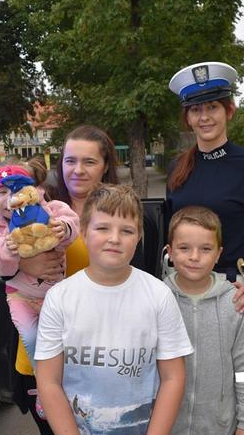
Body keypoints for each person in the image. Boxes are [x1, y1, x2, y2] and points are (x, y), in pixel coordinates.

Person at [167, 61, 244, 427]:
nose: (204, 117)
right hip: (183, 300)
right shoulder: (177, 170)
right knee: (185, 382)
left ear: (229, 110)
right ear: (187, 117)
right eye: (196, 110)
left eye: (213, 107)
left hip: (235, 299)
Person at [35, 184, 193, 434]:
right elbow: (48, 381)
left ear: (139, 237)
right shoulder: (59, 299)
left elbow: (173, 378)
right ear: (84, 233)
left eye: (127, 230)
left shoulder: (159, 295)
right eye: (102, 228)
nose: (114, 238)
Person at [11, 125, 121, 432]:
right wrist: (23, 263)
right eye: (71, 161)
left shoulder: (121, 215)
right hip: (42, 355)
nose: (78, 170)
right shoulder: (38, 210)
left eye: (89, 162)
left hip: (101, 357)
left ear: (106, 166)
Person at [0, 158, 80, 418]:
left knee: (67, 343)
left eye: (18, 188)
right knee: (32, 339)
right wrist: (9, 251)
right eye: (2, 192)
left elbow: (72, 223)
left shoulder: (51, 209)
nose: (12, 198)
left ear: (33, 188)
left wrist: (63, 228)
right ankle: (45, 389)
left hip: (57, 294)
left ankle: (68, 383)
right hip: (21, 297)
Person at [164, 206, 244, 434]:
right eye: (184, 248)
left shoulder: (235, 302)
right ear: (170, 251)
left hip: (220, 426)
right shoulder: (158, 299)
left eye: (206, 249)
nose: (194, 257)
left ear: (218, 253)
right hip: (167, 426)